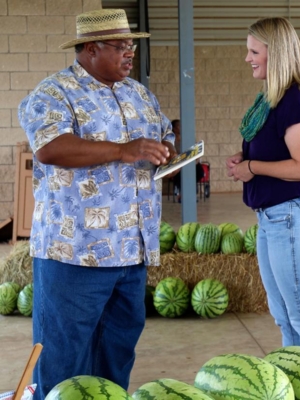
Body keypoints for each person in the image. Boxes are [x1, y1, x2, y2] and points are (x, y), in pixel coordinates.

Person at [17, 9, 178, 399]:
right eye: (121, 47)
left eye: (131, 46)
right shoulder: (53, 93)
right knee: (62, 357)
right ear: (91, 48)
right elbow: (51, 148)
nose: (129, 54)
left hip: (131, 250)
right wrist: (123, 151)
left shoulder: (138, 93)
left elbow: (164, 134)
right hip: (75, 253)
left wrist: (168, 152)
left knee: (117, 352)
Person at [226, 17, 300, 351]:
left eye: (254, 51)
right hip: (278, 217)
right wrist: (244, 158)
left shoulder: (296, 99)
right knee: (286, 317)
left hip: (295, 217)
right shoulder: (274, 98)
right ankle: (297, 380)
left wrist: (252, 166)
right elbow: (282, 147)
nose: (248, 58)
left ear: (276, 53)